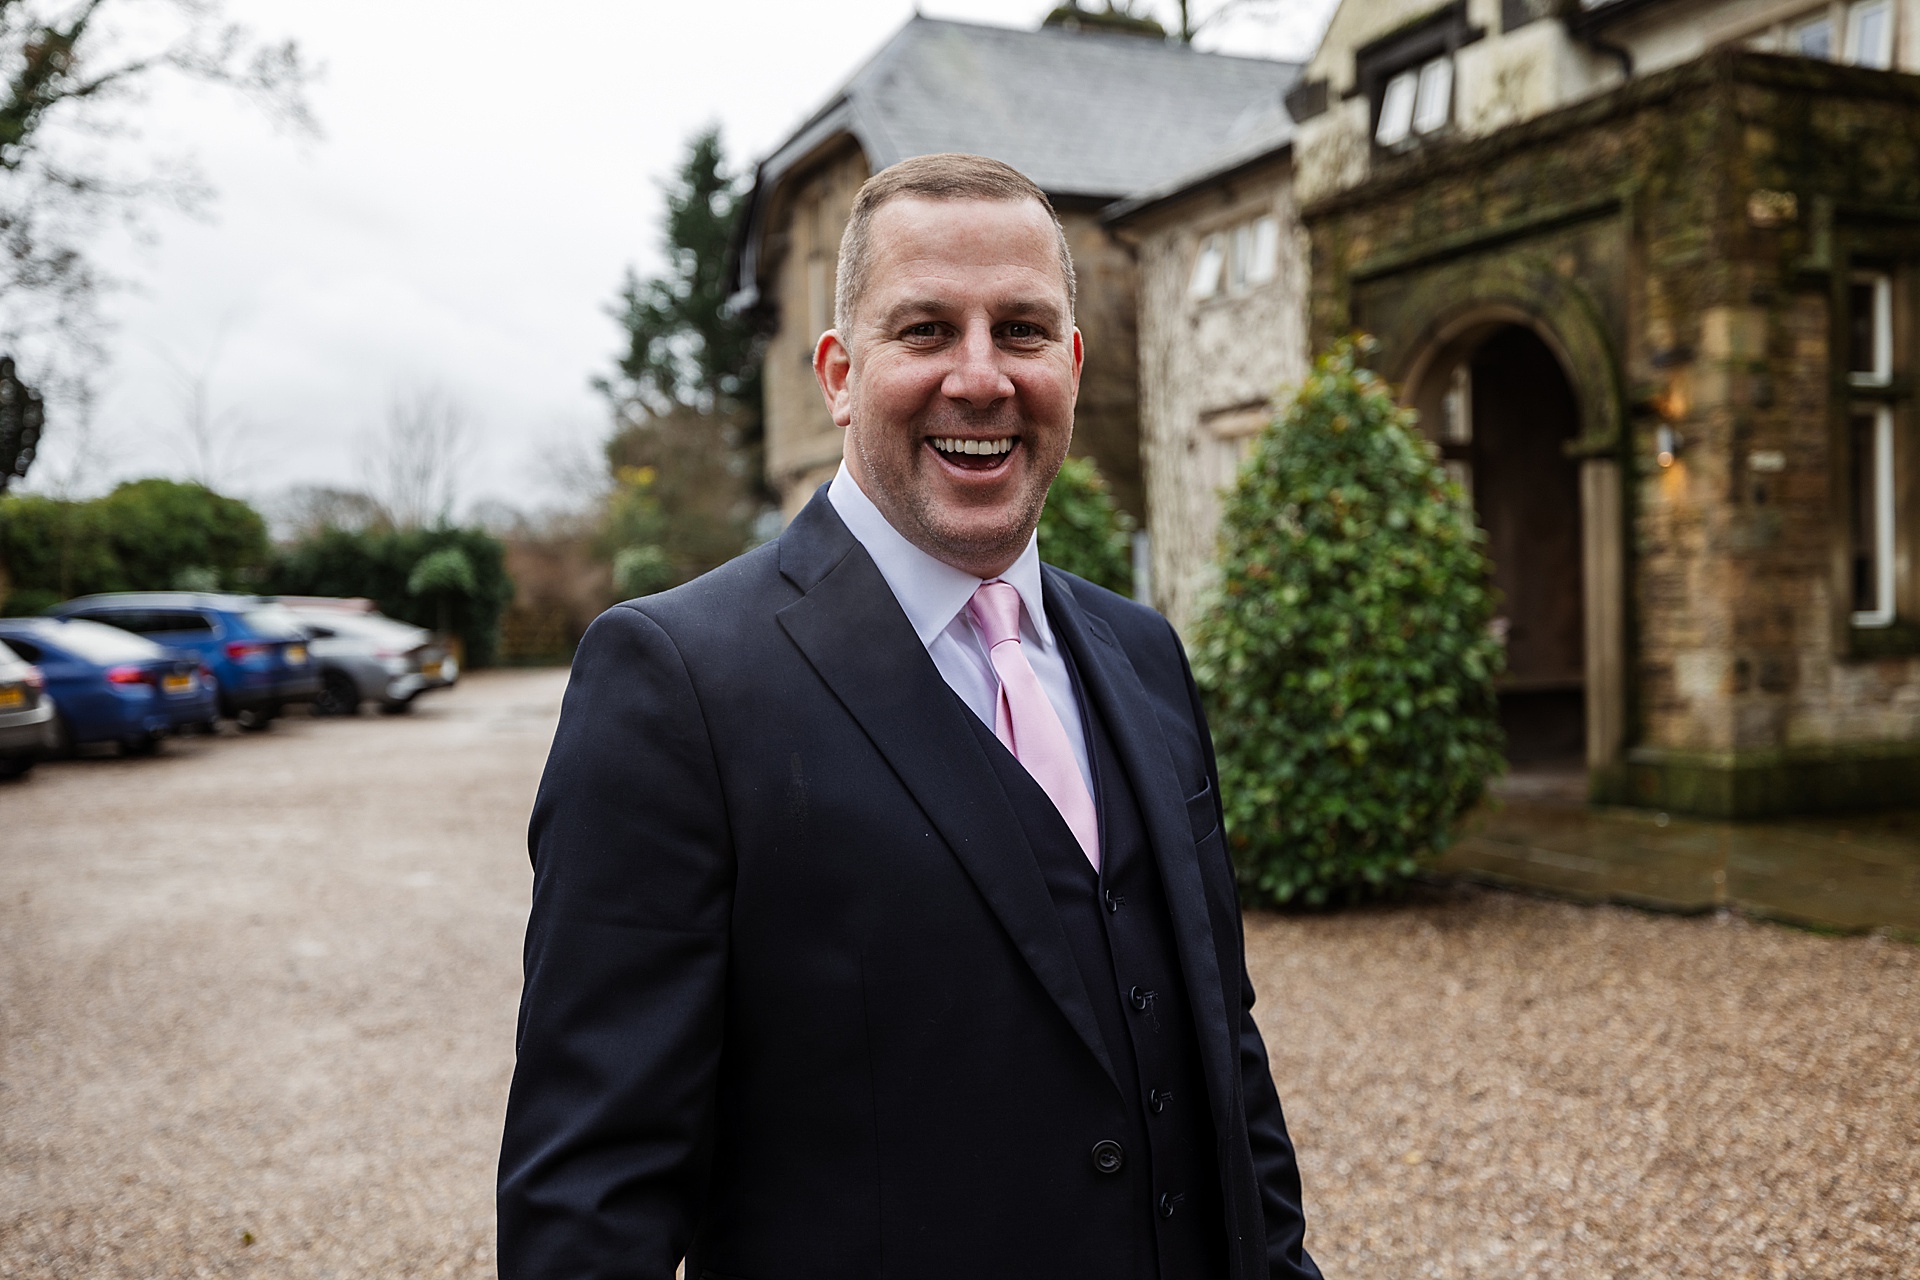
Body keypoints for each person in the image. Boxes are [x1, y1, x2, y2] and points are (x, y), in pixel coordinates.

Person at [498, 153, 1320, 1280]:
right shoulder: (675, 681)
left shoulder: (1145, 655)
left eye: (1023, 330)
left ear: (1072, 365)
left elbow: (1224, 1052)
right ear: (841, 371)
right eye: (927, 329)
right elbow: (590, 1197)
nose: (981, 378)